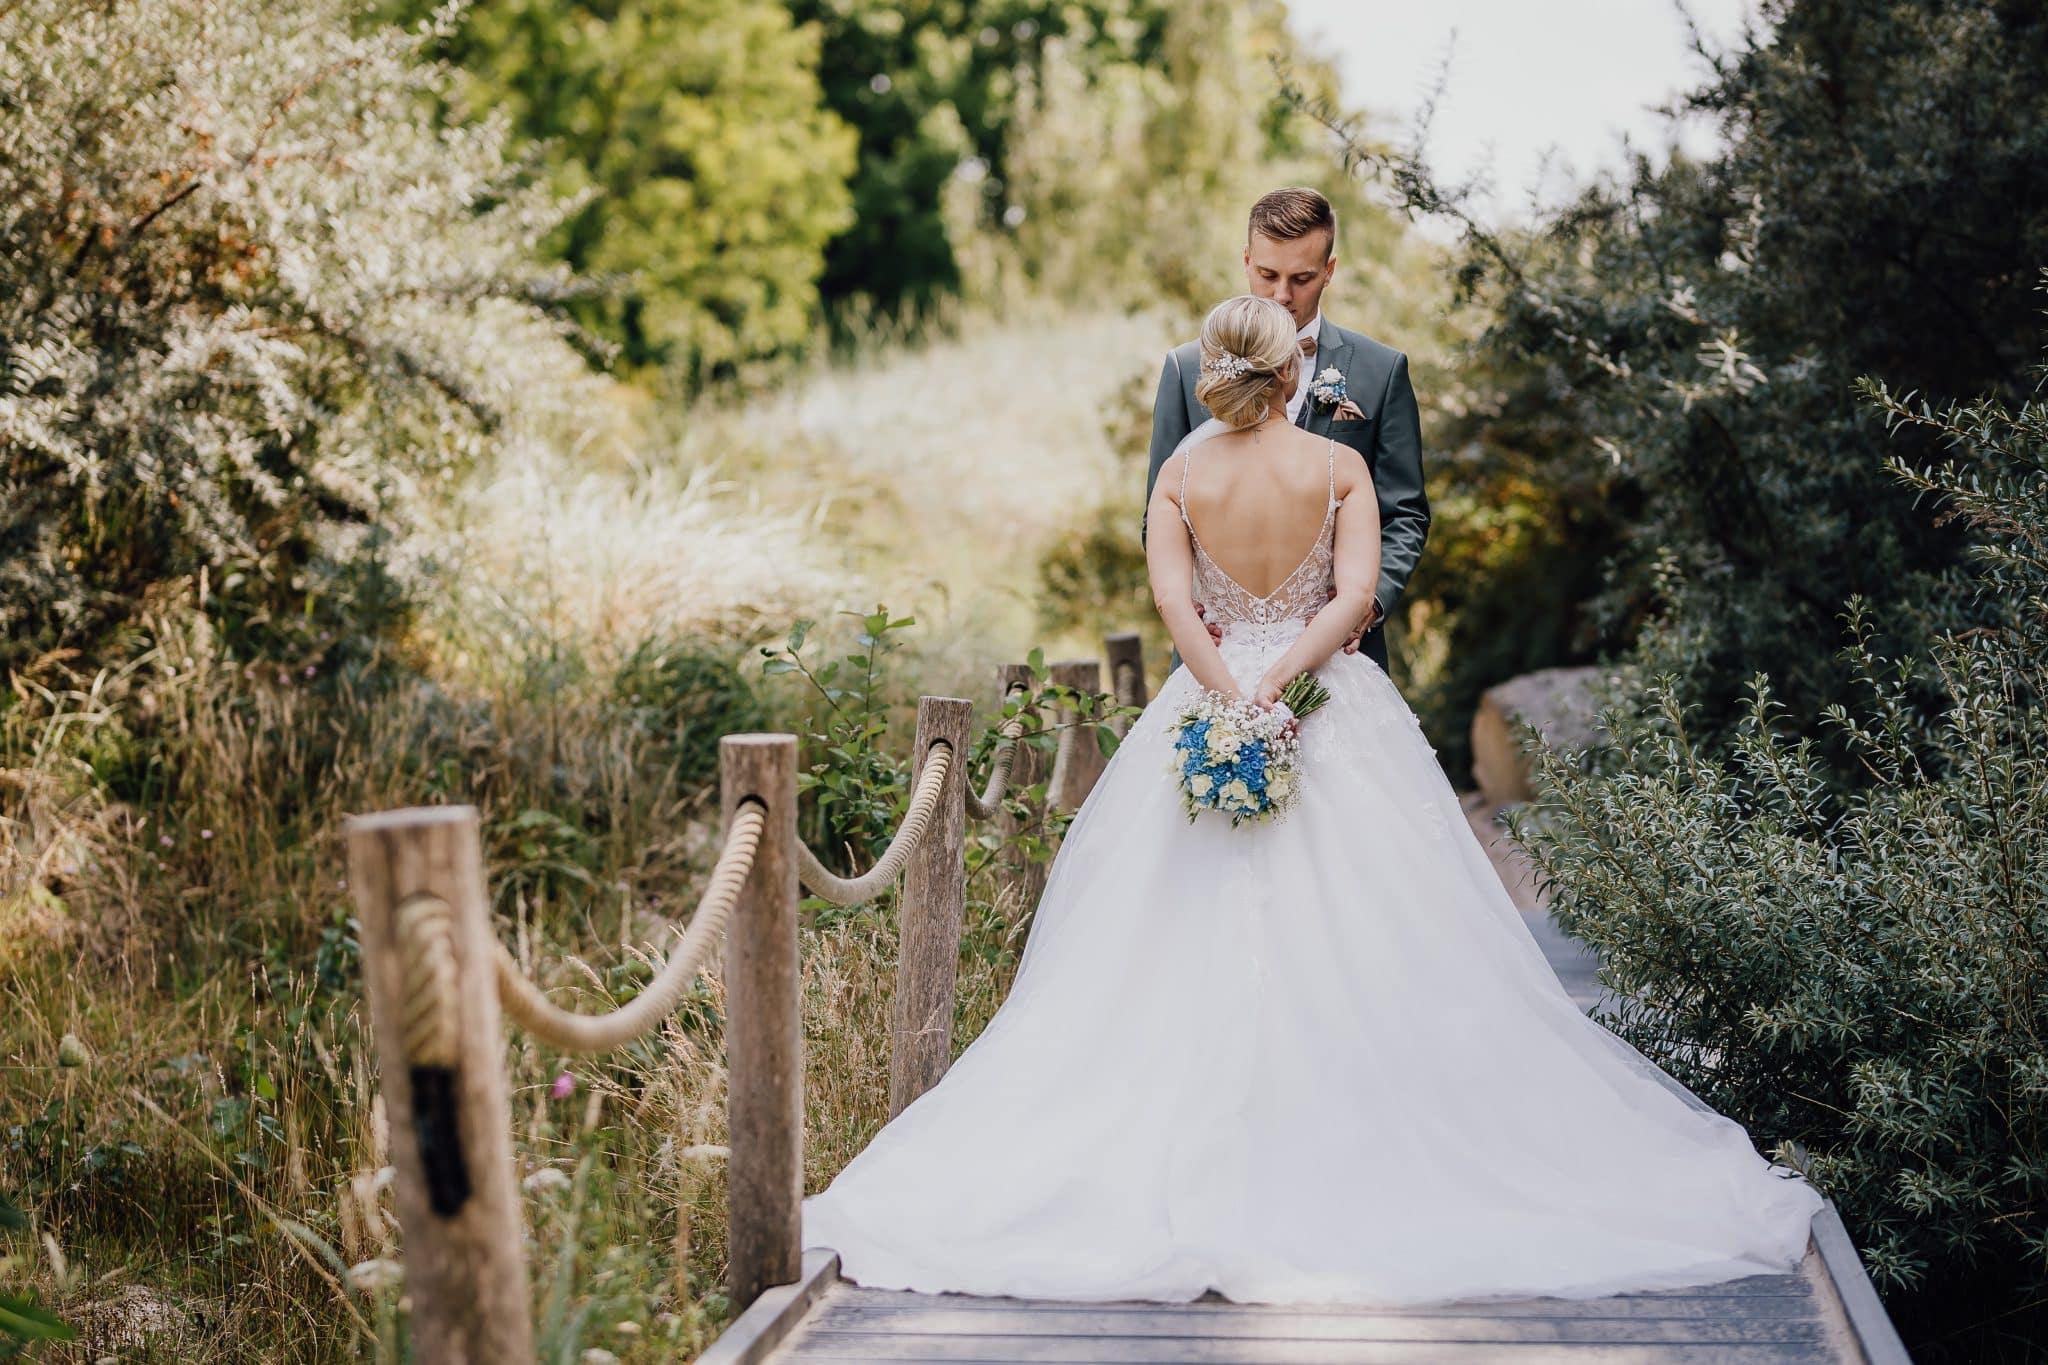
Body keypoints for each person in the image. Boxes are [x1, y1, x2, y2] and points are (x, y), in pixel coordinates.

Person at [798, 294, 1824, 1307]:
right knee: (1393, 927)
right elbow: (1352, 601)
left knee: (1153, 937)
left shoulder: (1178, 476)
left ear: (1212, 372)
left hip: (1204, 697)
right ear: (1294, 374)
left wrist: (1225, 689)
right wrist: (1281, 687)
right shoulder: (1339, 468)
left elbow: (1169, 599)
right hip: (1326, 705)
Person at [1145, 186, 1429, 676]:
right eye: (1267, 274)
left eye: (1301, 278)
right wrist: (1186, 605)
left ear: (1329, 271)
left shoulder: (1381, 372)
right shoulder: (1187, 366)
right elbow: (1159, 509)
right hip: (1218, 653)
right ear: (1247, 260)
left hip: (1342, 654)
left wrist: (1370, 602)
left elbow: (1405, 512)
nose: (1282, 296)